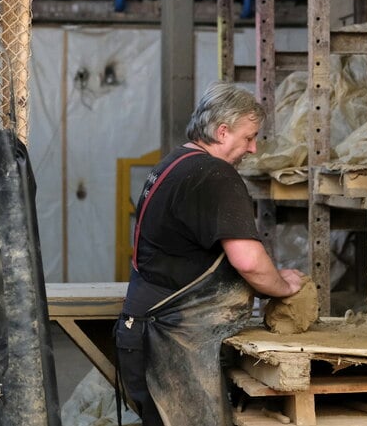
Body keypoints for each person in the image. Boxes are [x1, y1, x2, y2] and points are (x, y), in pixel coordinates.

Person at [115, 82, 304, 426]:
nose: (253, 148)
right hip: (170, 345)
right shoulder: (214, 174)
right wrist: (283, 286)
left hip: (145, 332)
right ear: (221, 131)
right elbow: (248, 261)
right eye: (249, 137)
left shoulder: (175, 163)